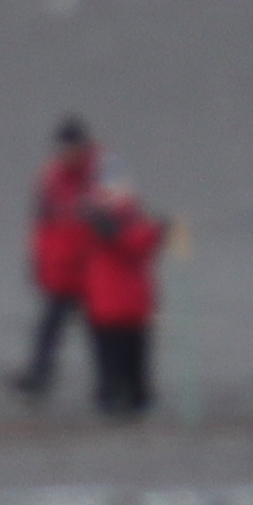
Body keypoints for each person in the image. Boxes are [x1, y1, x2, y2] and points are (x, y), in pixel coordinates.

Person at [13, 118, 101, 406]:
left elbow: (123, 216)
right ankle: (39, 378)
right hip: (61, 268)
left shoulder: (103, 174)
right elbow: (40, 225)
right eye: (64, 148)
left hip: (93, 268)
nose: (68, 154)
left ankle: (108, 383)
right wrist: (36, 260)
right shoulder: (49, 178)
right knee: (49, 327)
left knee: (101, 331)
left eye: (73, 147)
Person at [76, 180, 172, 420]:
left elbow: (128, 243)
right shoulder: (139, 226)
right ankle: (135, 402)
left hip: (106, 309)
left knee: (110, 365)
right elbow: (143, 240)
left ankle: (113, 402)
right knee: (135, 364)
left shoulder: (101, 224)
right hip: (134, 307)